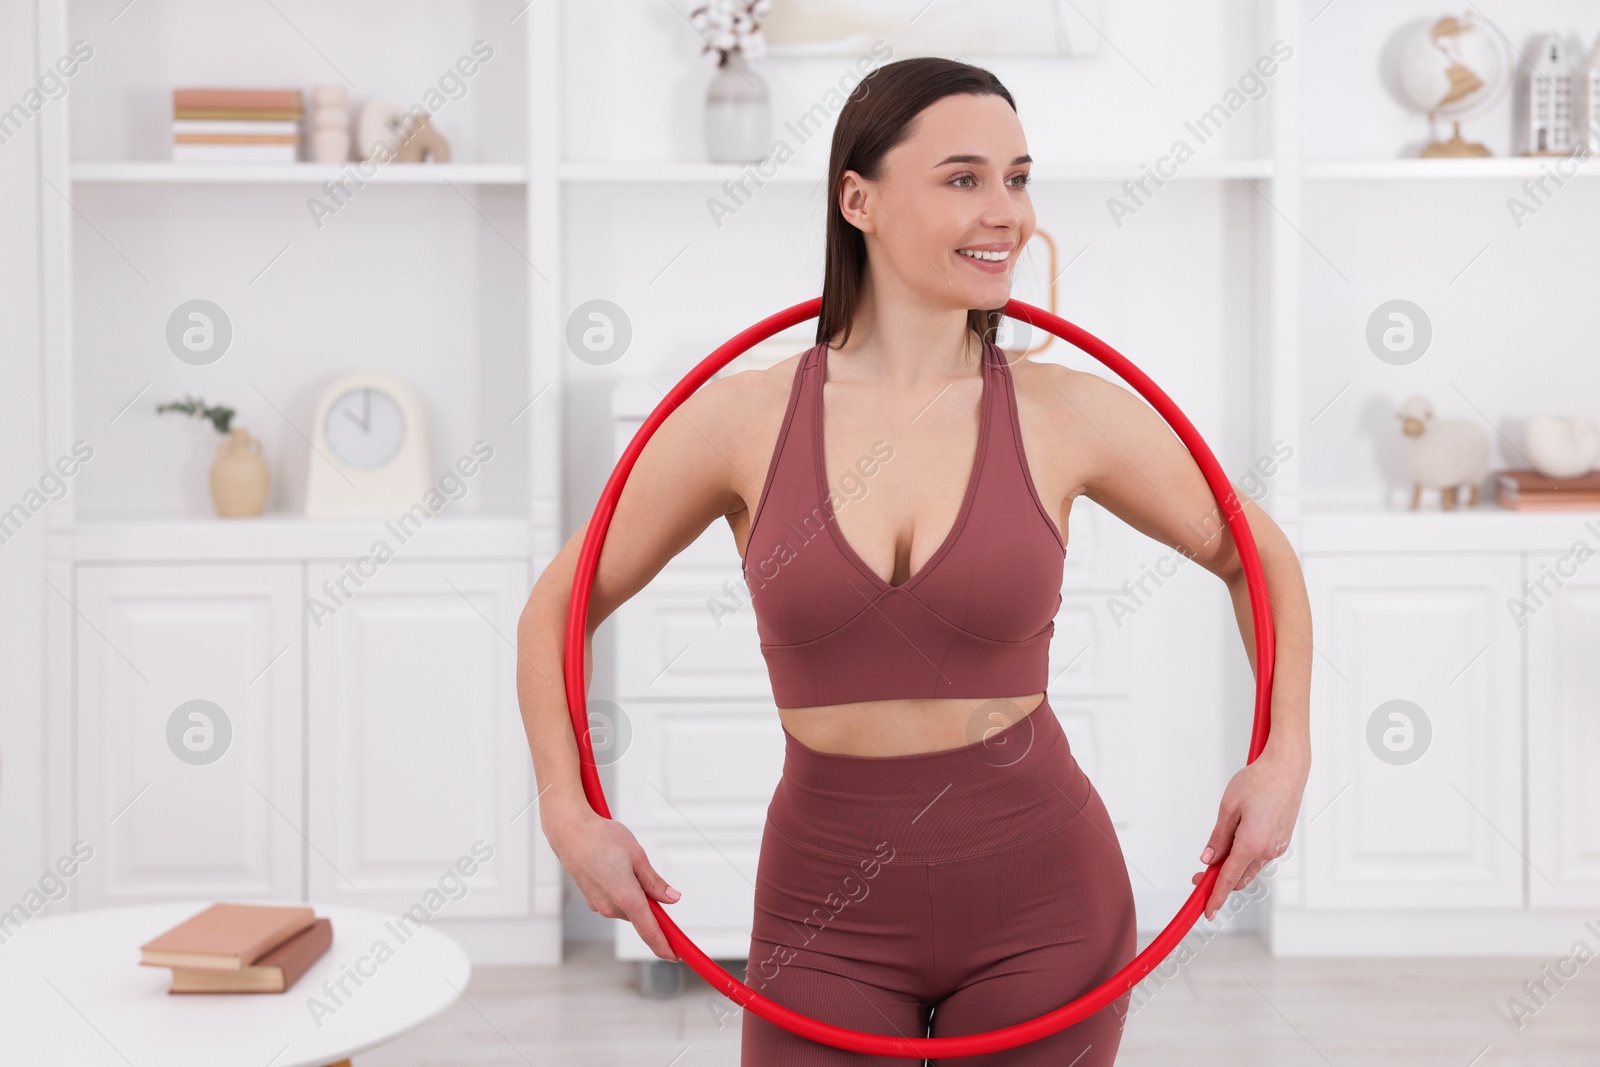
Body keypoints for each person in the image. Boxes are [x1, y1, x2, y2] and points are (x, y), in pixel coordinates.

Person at [518, 56, 1313, 1066]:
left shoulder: (1063, 410)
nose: (1007, 214)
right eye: (963, 178)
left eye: (1018, 179)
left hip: (1046, 900)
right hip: (824, 908)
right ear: (858, 198)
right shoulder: (742, 418)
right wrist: (566, 807)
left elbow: (1257, 556)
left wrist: (1283, 754)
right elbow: (556, 607)